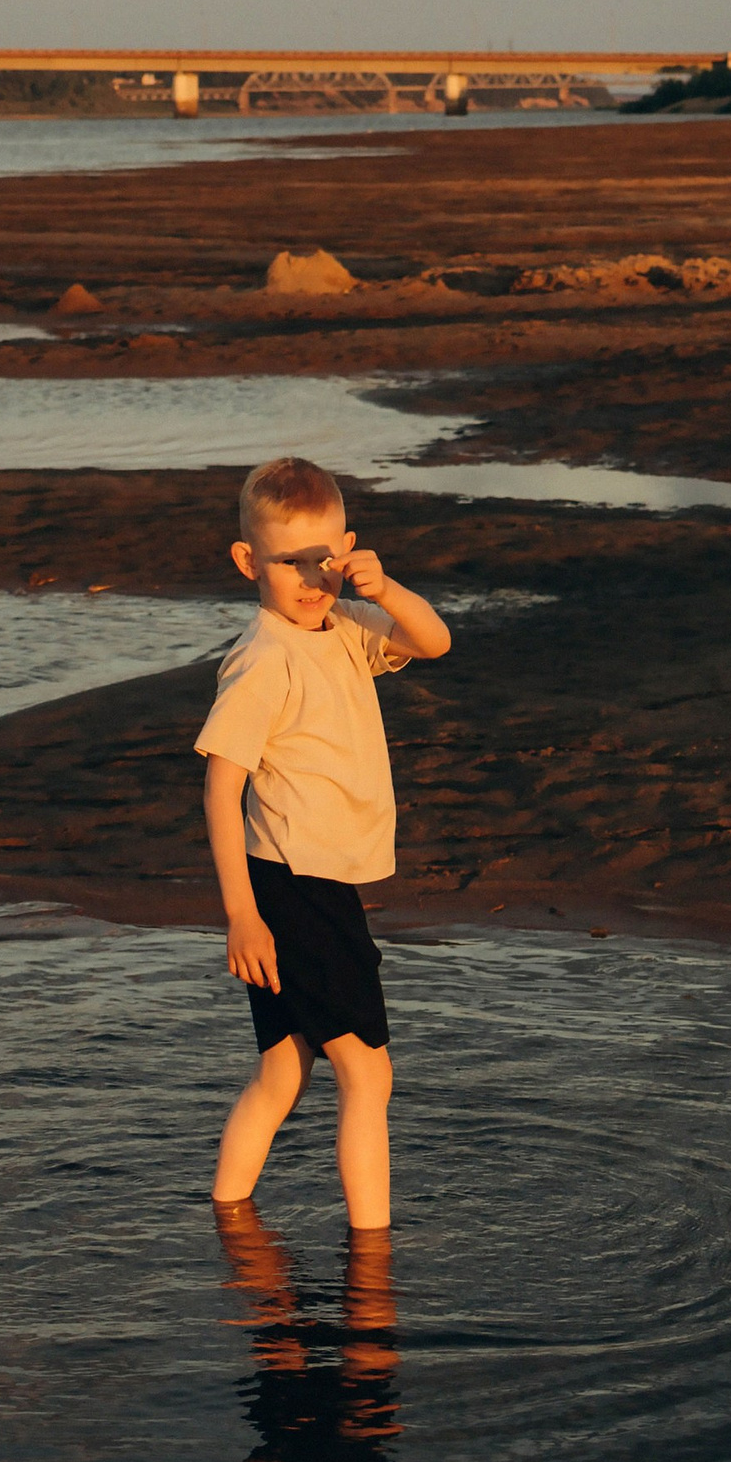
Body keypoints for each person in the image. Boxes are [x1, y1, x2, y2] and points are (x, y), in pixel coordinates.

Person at [197, 455, 451, 1231]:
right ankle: (371, 1257)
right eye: (289, 562)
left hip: (313, 884)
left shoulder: (346, 624)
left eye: (324, 561)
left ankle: (228, 1212)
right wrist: (242, 913)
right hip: (290, 885)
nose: (311, 579)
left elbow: (434, 641)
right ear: (249, 561)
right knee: (368, 1073)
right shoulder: (263, 658)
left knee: (283, 1071)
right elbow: (220, 788)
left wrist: (383, 586)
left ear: (346, 548)